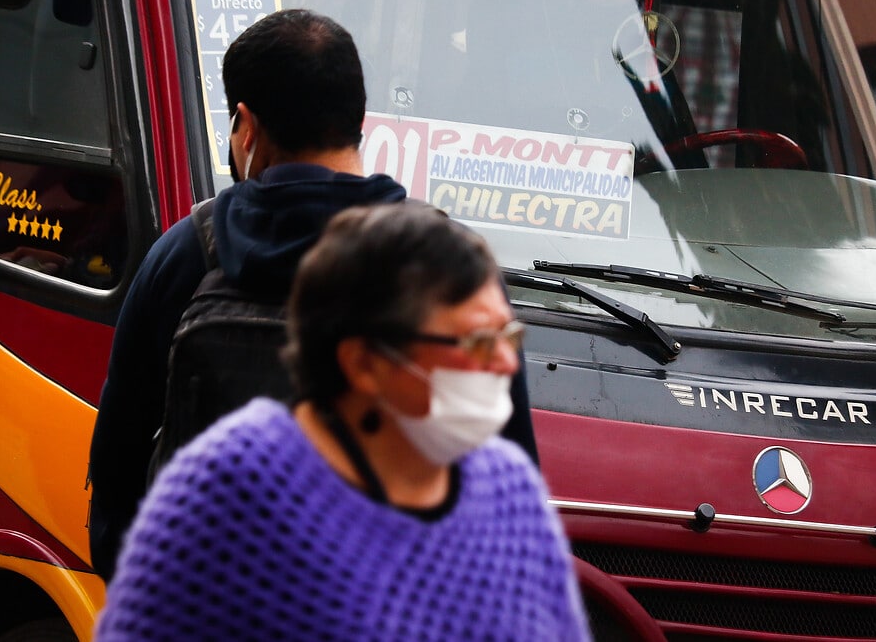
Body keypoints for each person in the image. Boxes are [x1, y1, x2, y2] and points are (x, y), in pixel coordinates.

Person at [87, 9, 538, 581]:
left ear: (246, 128)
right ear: (359, 120)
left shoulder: (188, 255)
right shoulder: (455, 269)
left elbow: (118, 470)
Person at [94, 203, 591, 641]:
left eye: (510, 337)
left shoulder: (508, 491)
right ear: (365, 363)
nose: (506, 364)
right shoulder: (227, 486)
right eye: (477, 343)